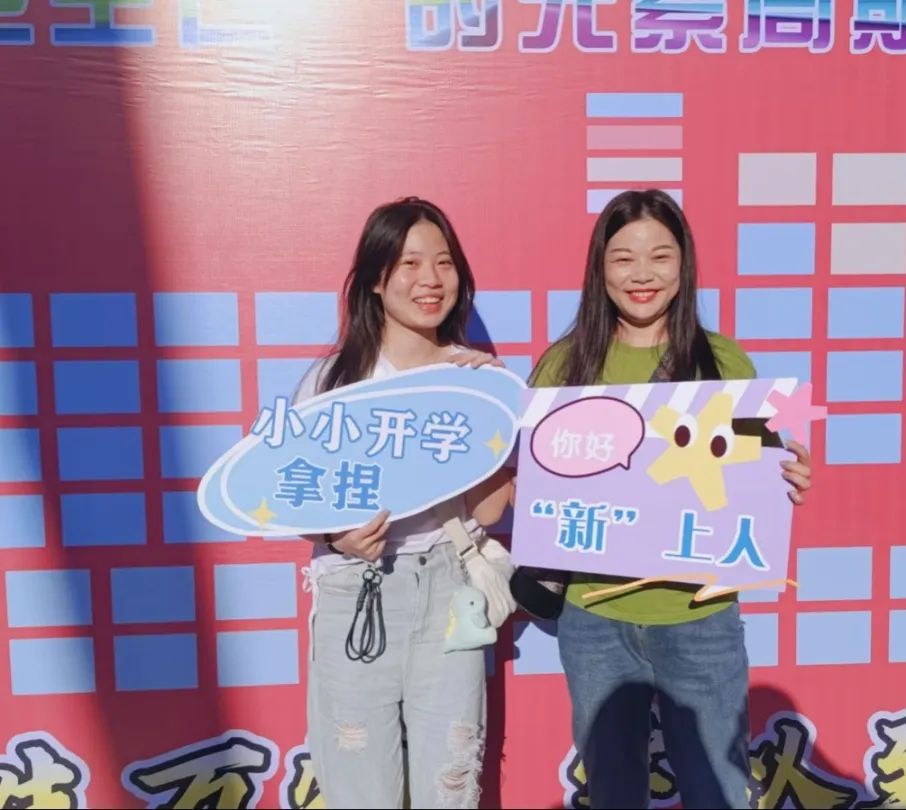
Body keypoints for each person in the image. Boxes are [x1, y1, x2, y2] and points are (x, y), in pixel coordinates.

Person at [526, 189, 813, 809]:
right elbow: (534, 483)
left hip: (699, 615)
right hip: (593, 616)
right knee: (614, 792)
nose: (642, 275)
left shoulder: (723, 362)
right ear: (600, 268)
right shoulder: (564, 367)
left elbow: (752, 481)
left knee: (719, 792)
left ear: (684, 264)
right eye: (623, 258)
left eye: (660, 256)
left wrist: (783, 477)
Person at [293, 197, 513, 810]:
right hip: (355, 590)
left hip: (448, 588)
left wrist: (490, 410)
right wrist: (337, 537)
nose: (430, 280)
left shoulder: (477, 380)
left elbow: (491, 511)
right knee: (360, 787)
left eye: (444, 263)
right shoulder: (334, 383)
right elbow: (291, 494)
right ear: (375, 278)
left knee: (451, 786)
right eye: (409, 263)